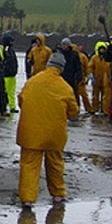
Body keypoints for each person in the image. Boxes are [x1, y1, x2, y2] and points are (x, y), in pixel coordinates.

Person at [16, 52, 79, 207]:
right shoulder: (65, 87)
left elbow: (21, 101)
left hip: (31, 133)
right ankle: (58, 194)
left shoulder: (32, 82)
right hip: (54, 134)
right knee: (55, 164)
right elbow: (73, 112)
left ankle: (28, 199)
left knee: (29, 165)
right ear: (61, 68)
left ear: (48, 64)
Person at [88, 42, 112, 115]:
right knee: (95, 95)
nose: (102, 51)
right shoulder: (95, 58)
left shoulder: (108, 58)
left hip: (106, 79)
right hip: (96, 78)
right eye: (101, 49)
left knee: (106, 95)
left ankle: (105, 110)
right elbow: (90, 67)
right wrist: (91, 76)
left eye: (103, 49)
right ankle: (94, 108)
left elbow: (111, 67)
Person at [1, 34, 19, 112]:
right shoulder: (5, 50)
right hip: (7, 75)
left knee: (11, 92)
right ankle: (2, 105)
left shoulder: (10, 50)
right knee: (5, 91)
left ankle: (12, 106)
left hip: (12, 74)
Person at [74, 44, 93, 113]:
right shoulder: (70, 56)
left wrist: (87, 76)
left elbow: (87, 67)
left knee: (83, 94)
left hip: (81, 78)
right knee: (75, 95)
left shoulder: (82, 57)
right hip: (73, 79)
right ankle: (77, 108)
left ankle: (88, 108)